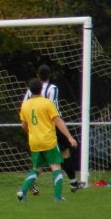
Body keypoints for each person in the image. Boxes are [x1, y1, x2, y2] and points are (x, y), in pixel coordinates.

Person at [23, 64, 85, 194]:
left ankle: (31, 185)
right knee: (64, 153)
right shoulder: (52, 88)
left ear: (37, 75)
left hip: (35, 126)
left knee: (39, 159)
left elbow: (24, 106)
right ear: (49, 75)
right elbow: (52, 107)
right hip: (51, 125)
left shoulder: (30, 90)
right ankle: (72, 184)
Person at [17, 78, 78, 202]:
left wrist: (32, 133)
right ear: (41, 89)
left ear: (30, 90)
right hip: (48, 141)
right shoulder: (47, 103)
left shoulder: (25, 105)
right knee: (56, 167)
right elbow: (58, 121)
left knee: (37, 168)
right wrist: (69, 137)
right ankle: (58, 197)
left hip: (34, 142)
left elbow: (24, 125)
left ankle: (22, 192)